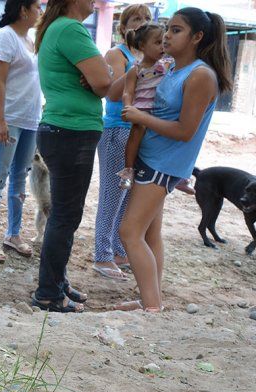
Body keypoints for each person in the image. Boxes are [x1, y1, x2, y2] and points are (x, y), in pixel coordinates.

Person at [116, 7, 232, 312]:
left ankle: (152, 308)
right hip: (151, 157)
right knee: (150, 233)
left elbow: (184, 130)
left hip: (163, 164)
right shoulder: (171, 67)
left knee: (129, 232)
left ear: (197, 37)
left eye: (177, 30)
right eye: (167, 28)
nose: (167, 34)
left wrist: (141, 116)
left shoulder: (200, 75)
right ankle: (149, 300)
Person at [31, 0, 112, 313]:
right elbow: (104, 83)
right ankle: (48, 293)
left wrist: (99, 75)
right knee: (65, 217)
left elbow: (99, 80)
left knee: (66, 215)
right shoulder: (70, 28)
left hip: (64, 130)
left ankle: (57, 283)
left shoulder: (58, 28)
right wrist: (103, 74)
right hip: (70, 131)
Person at [0, 0, 43, 264]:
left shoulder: (30, 40)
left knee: (20, 178)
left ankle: (13, 234)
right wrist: (1, 121)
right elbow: (0, 82)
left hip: (30, 120)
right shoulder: (5, 37)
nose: (40, 12)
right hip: (8, 120)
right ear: (24, 10)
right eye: (37, 7)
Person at [92, 4, 151, 282]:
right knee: (112, 194)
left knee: (127, 195)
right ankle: (102, 256)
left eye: (147, 18)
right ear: (123, 25)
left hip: (139, 131)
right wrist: (137, 70)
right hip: (117, 130)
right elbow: (113, 95)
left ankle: (116, 250)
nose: (141, 23)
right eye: (136, 18)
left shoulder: (150, 55)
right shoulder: (118, 54)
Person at [117, 24, 169, 189]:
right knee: (135, 135)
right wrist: (127, 107)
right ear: (142, 46)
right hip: (141, 110)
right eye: (157, 42)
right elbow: (128, 92)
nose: (162, 46)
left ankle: (179, 174)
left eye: (164, 42)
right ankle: (128, 170)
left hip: (161, 111)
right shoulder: (136, 70)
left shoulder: (167, 65)